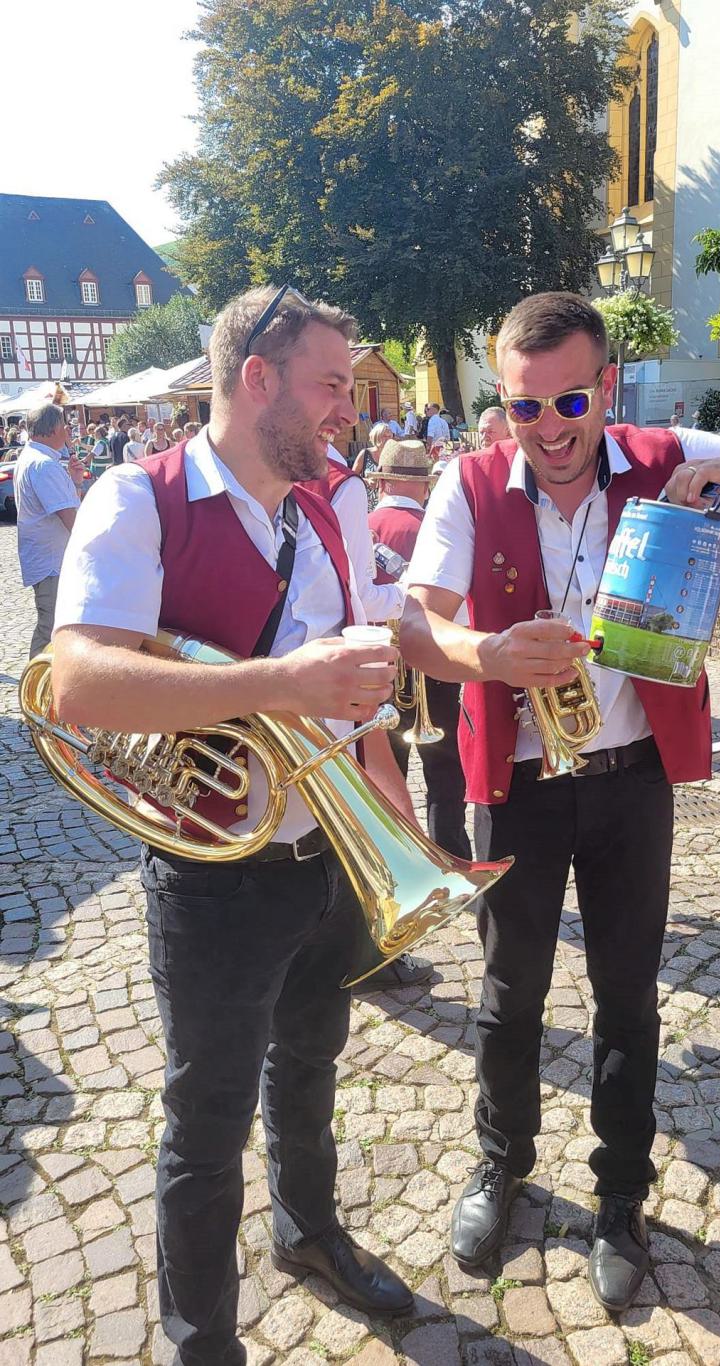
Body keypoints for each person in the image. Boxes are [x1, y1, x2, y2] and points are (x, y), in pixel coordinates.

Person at [51, 284, 415, 1365]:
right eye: (330, 387)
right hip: (214, 873)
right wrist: (281, 681)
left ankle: (308, 1231)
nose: (348, 408)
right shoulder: (138, 499)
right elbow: (76, 683)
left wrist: (391, 796)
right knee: (205, 1127)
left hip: (327, 854)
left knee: (311, 1061)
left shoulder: (325, 505)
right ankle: (202, 1341)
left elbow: (359, 666)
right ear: (257, 381)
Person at [401, 290, 720, 1312]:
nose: (550, 429)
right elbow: (417, 623)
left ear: (604, 387)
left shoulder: (657, 457)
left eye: (570, 402)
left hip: (631, 782)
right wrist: (488, 652)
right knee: (510, 992)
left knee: (628, 996)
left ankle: (620, 1195)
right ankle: (501, 1162)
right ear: (502, 404)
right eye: (525, 408)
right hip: (517, 783)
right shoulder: (468, 483)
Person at [300, 441, 432, 995]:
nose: (346, 412)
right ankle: (369, 950)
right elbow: (360, 599)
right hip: (349, 677)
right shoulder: (340, 483)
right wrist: (420, 600)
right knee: (369, 809)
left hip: (320, 689)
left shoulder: (332, 483)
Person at [370, 438, 471, 863]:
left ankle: (391, 858)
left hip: (379, 666)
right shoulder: (441, 529)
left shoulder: (362, 525)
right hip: (437, 664)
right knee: (446, 769)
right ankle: (450, 855)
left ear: (384, 481)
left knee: (384, 768)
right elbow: (461, 614)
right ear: (424, 486)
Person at [13, 403, 82, 656]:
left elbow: (64, 505)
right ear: (54, 428)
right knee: (52, 627)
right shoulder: (44, 464)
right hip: (53, 561)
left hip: (49, 558)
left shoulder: (35, 458)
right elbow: (68, 517)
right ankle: (35, 688)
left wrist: (74, 482)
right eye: (64, 424)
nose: (67, 429)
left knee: (57, 624)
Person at [352, 420, 391, 510]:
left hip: (386, 503)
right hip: (365, 503)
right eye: (384, 436)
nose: (388, 439)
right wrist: (367, 481)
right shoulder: (365, 454)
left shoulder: (392, 456)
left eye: (390, 436)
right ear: (376, 437)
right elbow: (352, 476)